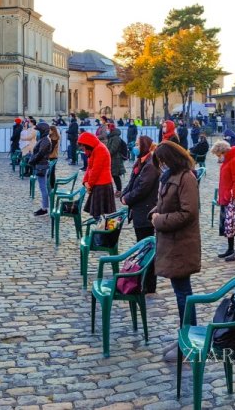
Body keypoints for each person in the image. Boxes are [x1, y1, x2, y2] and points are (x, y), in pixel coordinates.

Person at [150, 141, 201, 360]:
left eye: (162, 161)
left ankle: (189, 342)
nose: (161, 166)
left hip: (181, 244)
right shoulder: (170, 176)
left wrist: (159, 220)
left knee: (184, 295)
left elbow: (188, 212)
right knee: (182, 294)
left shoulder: (186, 178)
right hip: (171, 243)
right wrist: (154, 212)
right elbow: (168, 203)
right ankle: (185, 337)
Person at [122, 136, 160, 291]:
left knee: (147, 249)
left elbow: (143, 188)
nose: (135, 146)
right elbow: (132, 183)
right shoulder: (141, 162)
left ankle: (149, 284)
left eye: (138, 144)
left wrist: (128, 198)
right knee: (143, 247)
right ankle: (144, 281)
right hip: (138, 210)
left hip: (145, 211)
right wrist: (124, 194)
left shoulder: (150, 165)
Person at [214, 139, 235, 261]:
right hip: (226, 199)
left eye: (218, 155)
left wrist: (232, 195)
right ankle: (230, 248)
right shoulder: (226, 162)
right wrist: (221, 197)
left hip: (234, 200)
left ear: (223, 152)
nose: (218, 158)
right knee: (228, 226)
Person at [79, 131, 116, 218]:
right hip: (98, 184)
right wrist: (85, 182)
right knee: (98, 214)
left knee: (98, 214)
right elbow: (89, 167)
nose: (83, 148)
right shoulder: (95, 149)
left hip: (102, 184)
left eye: (83, 146)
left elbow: (96, 170)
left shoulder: (100, 149)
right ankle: (101, 229)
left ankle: (102, 230)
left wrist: (89, 185)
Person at [28, 121, 55, 216]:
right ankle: (44, 206)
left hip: (41, 166)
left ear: (43, 131)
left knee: (43, 188)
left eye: (39, 130)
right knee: (43, 187)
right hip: (41, 165)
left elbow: (40, 154)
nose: (37, 132)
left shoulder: (45, 141)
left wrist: (31, 161)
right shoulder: (44, 139)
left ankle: (44, 208)